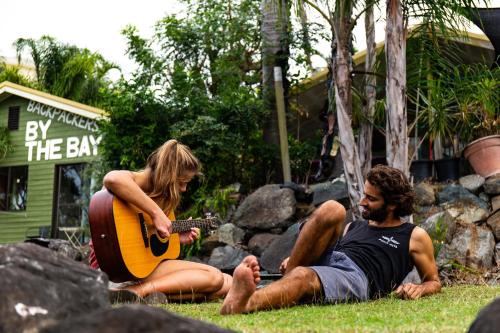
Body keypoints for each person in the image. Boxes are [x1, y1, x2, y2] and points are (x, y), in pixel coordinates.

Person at [220, 165, 441, 314]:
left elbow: (433, 281)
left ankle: (247, 302)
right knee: (334, 209)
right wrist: (296, 257)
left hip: (357, 275)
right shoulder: (354, 226)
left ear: (392, 204)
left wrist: (420, 289)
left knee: (303, 276)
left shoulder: (413, 235)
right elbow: (324, 247)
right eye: (364, 194)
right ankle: (287, 275)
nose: (362, 202)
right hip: (330, 260)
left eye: (371, 199)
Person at [88, 139, 232, 302]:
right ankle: (135, 291)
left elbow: (148, 243)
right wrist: (156, 214)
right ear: (167, 174)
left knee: (228, 283)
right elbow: (112, 178)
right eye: (181, 182)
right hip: (117, 271)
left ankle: (137, 295)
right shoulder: (129, 183)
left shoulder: (163, 199)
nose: (184, 189)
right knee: (214, 278)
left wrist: (175, 237)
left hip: (141, 269)